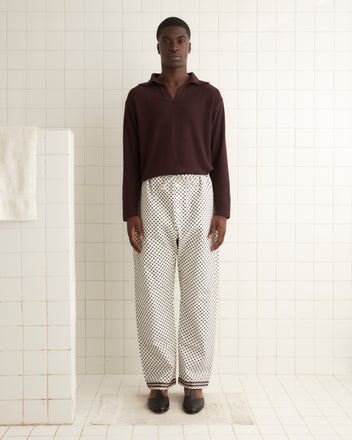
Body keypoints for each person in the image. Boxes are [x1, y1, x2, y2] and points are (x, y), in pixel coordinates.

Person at [122, 16, 230, 414]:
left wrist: (223, 211)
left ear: (189, 46)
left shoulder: (209, 96)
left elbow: (219, 156)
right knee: (152, 291)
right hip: (152, 196)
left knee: (200, 289)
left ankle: (196, 382)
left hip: (200, 195)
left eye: (180, 40)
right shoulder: (139, 97)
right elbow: (130, 158)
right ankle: (158, 383)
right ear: (157, 47)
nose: (173, 46)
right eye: (166, 40)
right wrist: (130, 211)